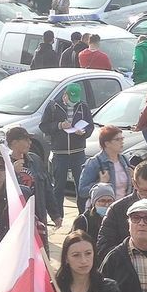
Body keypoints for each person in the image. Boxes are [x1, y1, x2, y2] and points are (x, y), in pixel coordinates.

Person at [42, 84, 92, 221]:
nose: (73, 102)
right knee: (58, 186)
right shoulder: (53, 107)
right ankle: (58, 217)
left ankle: (83, 215)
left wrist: (84, 132)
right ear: (65, 95)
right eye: (71, 99)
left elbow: (90, 125)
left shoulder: (83, 107)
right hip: (60, 152)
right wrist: (59, 125)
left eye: (76, 100)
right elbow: (44, 126)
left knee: (81, 185)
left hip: (78, 151)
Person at [7, 124, 59, 225]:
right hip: (16, 217)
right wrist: (12, 173)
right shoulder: (4, 163)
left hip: (38, 215)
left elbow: (47, 189)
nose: (30, 143)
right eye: (26, 140)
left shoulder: (35, 160)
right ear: (14, 143)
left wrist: (55, 215)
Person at [78, 125, 133, 211]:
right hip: (104, 211)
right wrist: (100, 183)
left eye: (122, 139)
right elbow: (82, 191)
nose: (122, 142)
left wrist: (134, 178)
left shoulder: (124, 159)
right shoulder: (94, 162)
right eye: (117, 139)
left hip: (123, 209)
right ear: (107, 143)